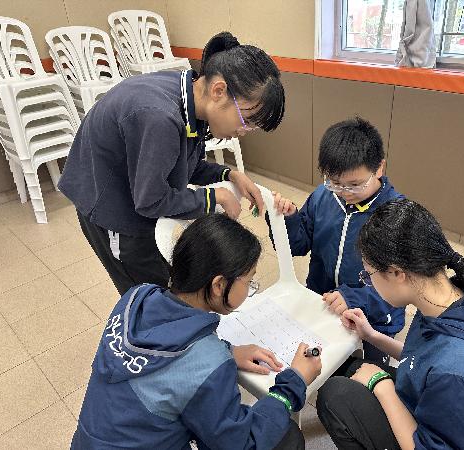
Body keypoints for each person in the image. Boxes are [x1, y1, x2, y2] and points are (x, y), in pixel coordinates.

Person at [316, 199, 464, 450]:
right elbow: (425, 359)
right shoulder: (452, 298)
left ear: (397, 273)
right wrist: (372, 335)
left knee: (335, 396)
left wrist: (381, 385)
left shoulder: (459, 376)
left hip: (453, 423)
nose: (369, 283)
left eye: (368, 275)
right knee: (351, 368)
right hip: (458, 415)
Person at [59, 31, 285, 295]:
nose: (244, 132)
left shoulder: (192, 94)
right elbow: (151, 200)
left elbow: (183, 164)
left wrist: (229, 175)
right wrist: (213, 197)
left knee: (167, 281)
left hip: (138, 192)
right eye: (247, 121)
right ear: (219, 91)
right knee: (147, 295)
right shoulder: (160, 118)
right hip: (113, 209)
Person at [71, 214, 321, 450]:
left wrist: (227, 350)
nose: (249, 288)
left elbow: (165, 345)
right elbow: (242, 443)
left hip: (88, 442)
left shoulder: (136, 297)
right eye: (249, 281)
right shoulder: (209, 365)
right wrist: (293, 383)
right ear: (219, 285)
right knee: (287, 436)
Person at [270, 117, 405, 363]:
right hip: (322, 302)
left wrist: (354, 298)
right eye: (334, 183)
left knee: (362, 375)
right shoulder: (324, 196)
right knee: (305, 363)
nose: (344, 193)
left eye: (355, 184)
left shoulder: (398, 216)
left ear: (379, 168)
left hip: (373, 319)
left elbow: (404, 289)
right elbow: (297, 246)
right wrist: (288, 219)